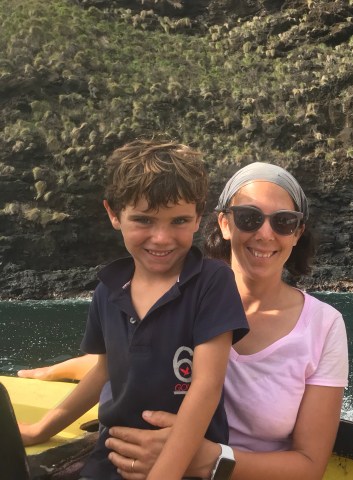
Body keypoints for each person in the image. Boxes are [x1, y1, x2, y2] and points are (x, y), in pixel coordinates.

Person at [20, 161, 349, 480]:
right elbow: (122, 361)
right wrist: (52, 378)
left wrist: (208, 460)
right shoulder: (180, 296)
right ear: (224, 223)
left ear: (297, 232)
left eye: (284, 222)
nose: (265, 233)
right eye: (249, 218)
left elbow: (309, 465)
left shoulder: (323, 325)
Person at [19, 140, 249, 480]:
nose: (161, 238)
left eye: (179, 220)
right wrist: (41, 429)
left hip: (184, 465)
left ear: (198, 218)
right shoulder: (107, 291)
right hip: (111, 457)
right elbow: (103, 370)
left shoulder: (212, 282)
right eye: (143, 220)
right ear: (114, 214)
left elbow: (206, 386)